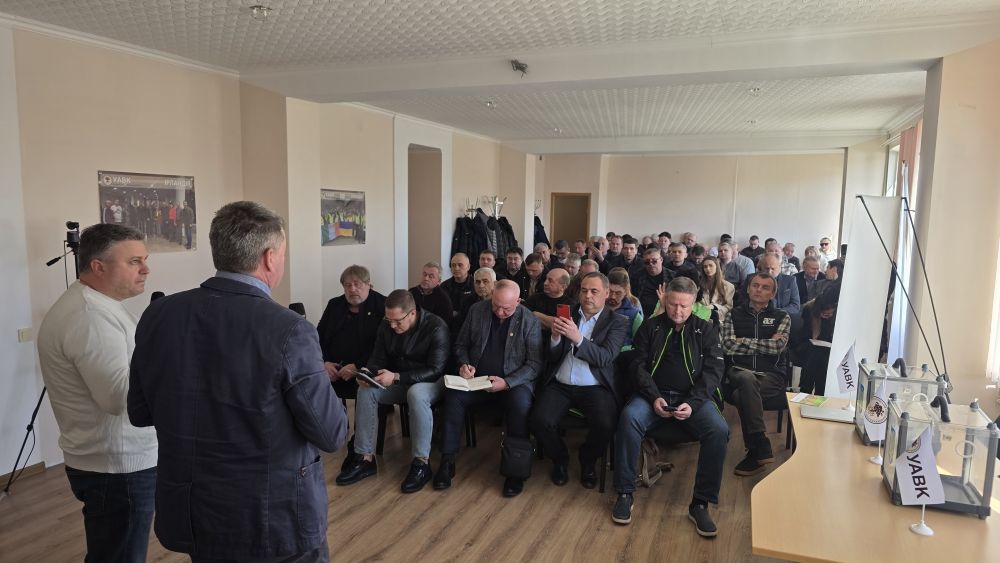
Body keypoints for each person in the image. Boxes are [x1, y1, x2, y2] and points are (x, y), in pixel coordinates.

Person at [129, 201, 348, 561]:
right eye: (283, 254)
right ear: (269, 258)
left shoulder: (159, 315)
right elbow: (332, 433)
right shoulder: (289, 329)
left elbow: (139, 412)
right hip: (273, 518)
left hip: (195, 514)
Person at [36, 223, 156, 563]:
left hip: (115, 463)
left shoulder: (101, 305)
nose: (145, 269)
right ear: (98, 267)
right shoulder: (90, 316)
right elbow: (119, 398)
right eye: (134, 261)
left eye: (144, 260)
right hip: (117, 467)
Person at [611, 277, 728, 536]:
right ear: (665, 300)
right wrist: (653, 396)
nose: (677, 311)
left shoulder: (706, 330)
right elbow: (637, 366)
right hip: (652, 395)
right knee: (629, 418)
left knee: (719, 430)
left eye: (684, 306)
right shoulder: (650, 327)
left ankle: (700, 503)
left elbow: (713, 373)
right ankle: (625, 492)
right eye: (673, 304)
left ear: (693, 304)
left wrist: (693, 403)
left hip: (693, 399)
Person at [433, 280, 543, 497]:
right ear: (492, 296)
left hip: (512, 383)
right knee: (453, 398)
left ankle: (515, 470)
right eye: (496, 305)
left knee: (520, 405)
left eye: (506, 308)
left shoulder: (529, 320)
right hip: (477, 380)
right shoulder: (477, 310)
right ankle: (447, 460)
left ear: (518, 302)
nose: (499, 312)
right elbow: (461, 345)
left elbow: (534, 364)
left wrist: (507, 382)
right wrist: (464, 364)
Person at [335, 290, 450, 493]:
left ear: (412, 313)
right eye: (389, 320)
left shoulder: (436, 326)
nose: (392, 326)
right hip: (398, 379)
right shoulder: (386, 325)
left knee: (416, 394)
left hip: (432, 382)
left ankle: (421, 464)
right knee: (366, 391)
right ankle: (364, 458)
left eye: (397, 321)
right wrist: (368, 372)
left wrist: (396, 376)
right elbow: (378, 358)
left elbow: (435, 369)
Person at [530, 272, 628, 489]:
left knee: (606, 424)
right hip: (561, 384)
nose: (588, 296)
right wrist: (555, 337)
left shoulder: (617, 322)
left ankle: (588, 460)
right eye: (584, 290)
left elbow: (604, 358)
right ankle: (560, 459)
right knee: (539, 420)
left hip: (595, 386)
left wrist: (577, 338)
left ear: (606, 293)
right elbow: (552, 357)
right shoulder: (568, 313)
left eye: (594, 291)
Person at [317, 265, 386, 468]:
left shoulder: (381, 304)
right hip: (333, 367)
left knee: (364, 387)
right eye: (347, 285)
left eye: (357, 284)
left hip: (366, 368)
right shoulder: (335, 305)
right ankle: (329, 432)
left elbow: (382, 346)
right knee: (310, 379)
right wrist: (324, 362)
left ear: (368, 284)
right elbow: (318, 337)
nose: (352, 289)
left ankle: (357, 445)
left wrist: (357, 366)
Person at [722, 272, 790, 477]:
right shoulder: (733, 314)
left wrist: (743, 341)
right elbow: (727, 346)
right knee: (746, 378)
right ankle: (760, 440)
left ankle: (756, 451)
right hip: (738, 371)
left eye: (765, 287)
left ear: (773, 294)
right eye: (755, 285)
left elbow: (778, 347)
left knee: (740, 395)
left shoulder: (782, 316)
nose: (759, 290)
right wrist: (765, 344)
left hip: (771, 375)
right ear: (748, 288)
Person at [793, 286, 840, 395]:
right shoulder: (809, 310)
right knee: (816, 355)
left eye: (830, 314)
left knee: (821, 357)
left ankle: (811, 390)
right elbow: (805, 334)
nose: (828, 317)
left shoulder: (838, 314)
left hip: (827, 349)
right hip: (807, 345)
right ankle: (810, 390)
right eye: (825, 314)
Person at [523, 267, 573, 336]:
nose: (545, 283)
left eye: (550, 281)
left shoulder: (570, 305)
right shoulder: (533, 298)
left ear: (563, 287)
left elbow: (561, 328)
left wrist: (535, 314)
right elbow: (523, 320)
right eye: (546, 279)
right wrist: (550, 322)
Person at [606, 267, 644, 349]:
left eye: (618, 293)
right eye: (610, 291)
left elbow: (640, 343)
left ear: (625, 292)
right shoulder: (597, 307)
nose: (612, 296)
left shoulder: (634, 314)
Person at [631, 247, 674, 317]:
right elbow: (632, 297)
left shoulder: (672, 277)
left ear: (661, 260)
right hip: (641, 312)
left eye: (654, 261)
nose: (651, 264)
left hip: (665, 311)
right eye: (647, 262)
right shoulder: (636, 276)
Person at [699, 256, 735, 322]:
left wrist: (714, 306)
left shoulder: (729, 286)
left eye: (711, 265)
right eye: (705, 267)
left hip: (719, 318)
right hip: (701, 317)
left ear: (717, 267)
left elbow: (728, 307)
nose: (708, 269)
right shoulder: (699, 285)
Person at [441, 252, 473, 322]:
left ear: (468, 267)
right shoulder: (444, 286)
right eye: (453, 265)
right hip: (449, 323)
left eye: (460, 265)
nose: (456, 268)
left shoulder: (476, 285)